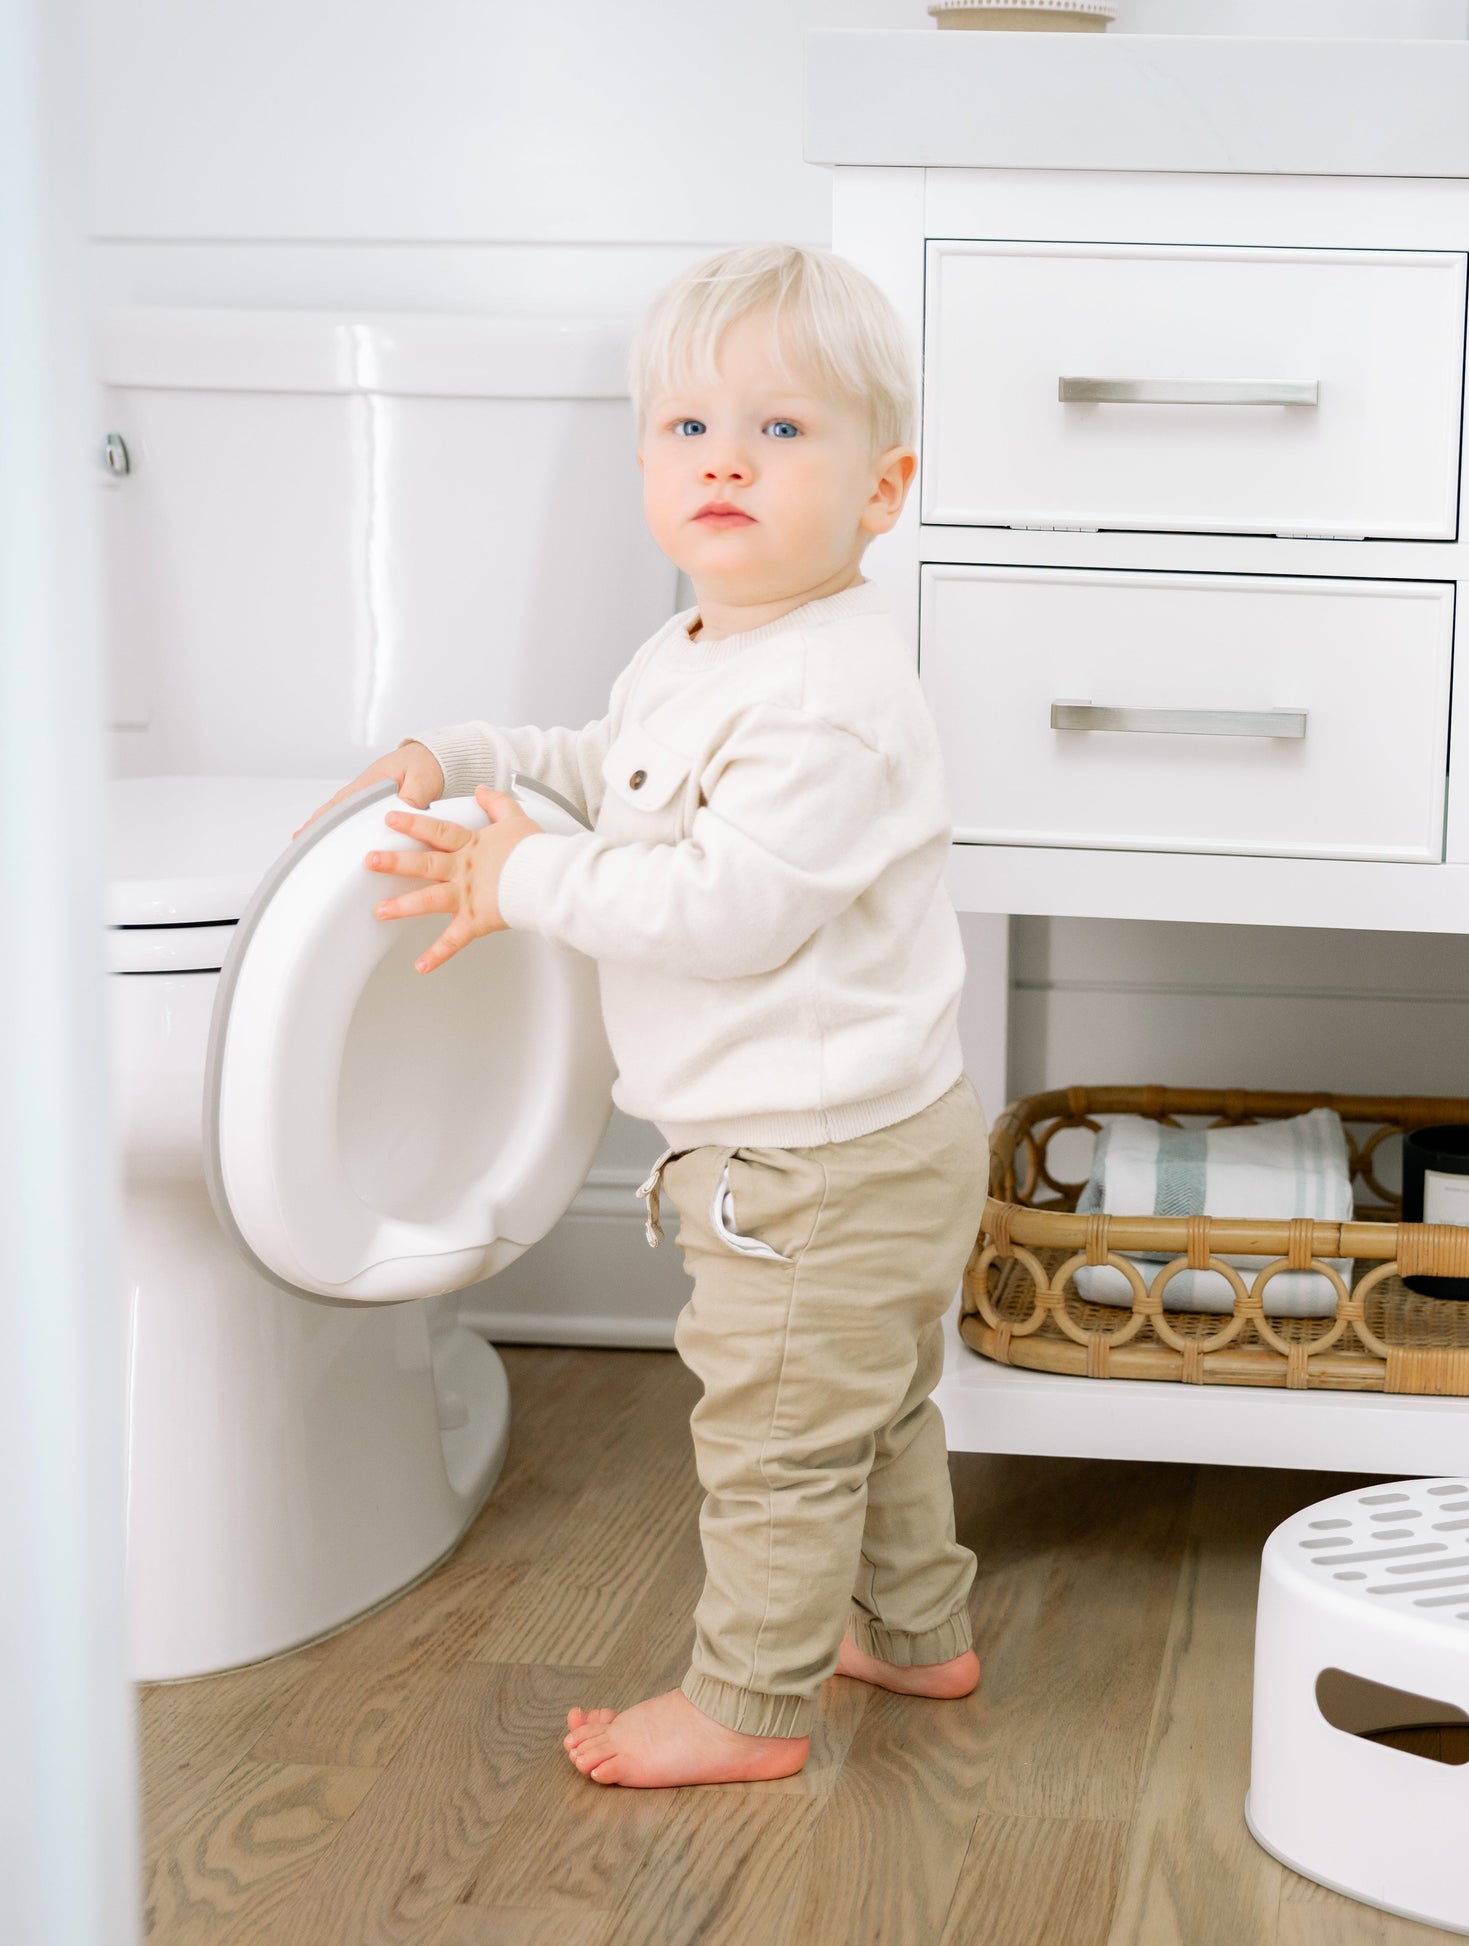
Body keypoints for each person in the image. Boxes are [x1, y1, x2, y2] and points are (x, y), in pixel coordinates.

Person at [308, 243, 988, 1788]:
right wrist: (474, 752)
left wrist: (523, 877)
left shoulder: (824, 694)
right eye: (687, 429)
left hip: (818, 1167)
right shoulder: (705, 647)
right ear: (642, 465)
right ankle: (913, 1624)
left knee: (776, 1442)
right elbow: (604, 755)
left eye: (781, 429)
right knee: (867, 1408)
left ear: (881, 491)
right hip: (842, 1145)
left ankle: (749, 1707)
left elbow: (726, 902)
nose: (726, 459)